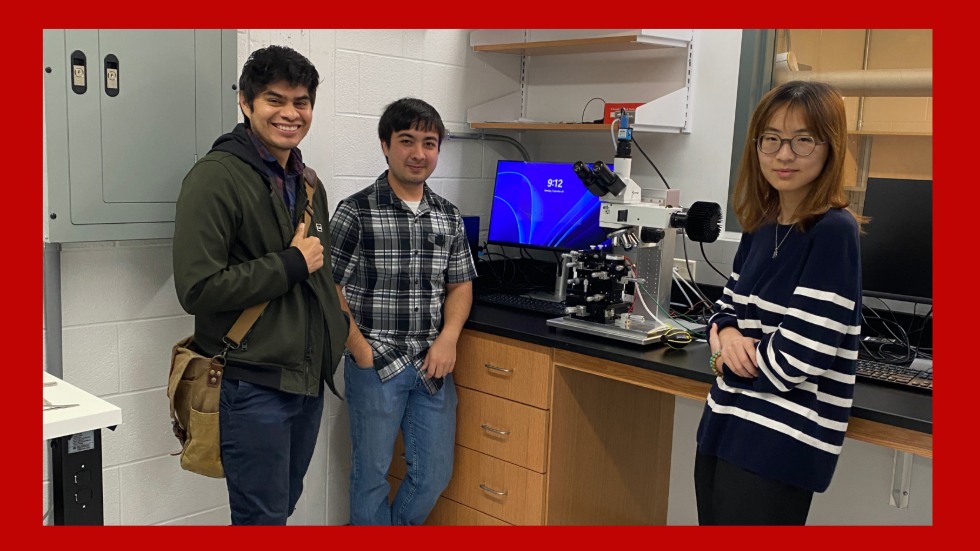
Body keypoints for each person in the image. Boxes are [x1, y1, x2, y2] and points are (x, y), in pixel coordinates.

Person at [172, 45, 349, 525]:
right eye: (276, 100)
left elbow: (320, 278)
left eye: (302, 102)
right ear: (246, 103)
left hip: (306, 380)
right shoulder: (215, 178)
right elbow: (198, 288)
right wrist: (290, 263)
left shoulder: (308, 183)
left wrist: (338, 335)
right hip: (251, 384)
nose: (291, 114)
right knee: (260, 519)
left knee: (279, 510)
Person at [694, 80, 864, 525]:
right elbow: (722, 311)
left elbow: (796, 358)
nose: (783, 154)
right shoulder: (760, 223)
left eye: (802, 140)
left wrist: (725, 354)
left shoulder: (833, 232)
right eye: (771, 139)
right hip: (724, 425)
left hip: (777, 443)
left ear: (830, 146)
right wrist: (728, 335)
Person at [329, 97, 477, 526]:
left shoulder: (448, 216)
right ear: (385, 145)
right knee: (371, 477)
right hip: (375, 363)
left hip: (432, 365)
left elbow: (460, 285)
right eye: (407, 141)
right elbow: (329, 288)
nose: (418, 153)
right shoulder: (355, 212)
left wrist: (449, 339)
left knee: (433, 474)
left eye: (429, 143)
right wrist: (359, 348)